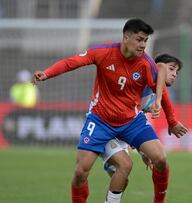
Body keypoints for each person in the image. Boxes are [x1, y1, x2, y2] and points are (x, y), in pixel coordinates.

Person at [32, 18, 169, 203]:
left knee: (160, 159)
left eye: (145, 40)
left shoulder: (146, 63)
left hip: (131, 121)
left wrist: (160, 103)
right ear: (126, 38)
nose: (143, 45)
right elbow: (71, 62)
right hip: (100, 121)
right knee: (81, 171)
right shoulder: (103, 52)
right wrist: (47, 73)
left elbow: (159, 76)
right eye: (139, 39)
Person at [100, 54, 188, 198]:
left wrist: (143, 152)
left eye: (176, 72)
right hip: (105, 128)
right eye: (171, 69)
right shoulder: (140, 80)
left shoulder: (155, 93)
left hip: (124, 129)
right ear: (156, 67)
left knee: (160, 159)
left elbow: (133, 123)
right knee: (122, 172)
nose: (174, 74)